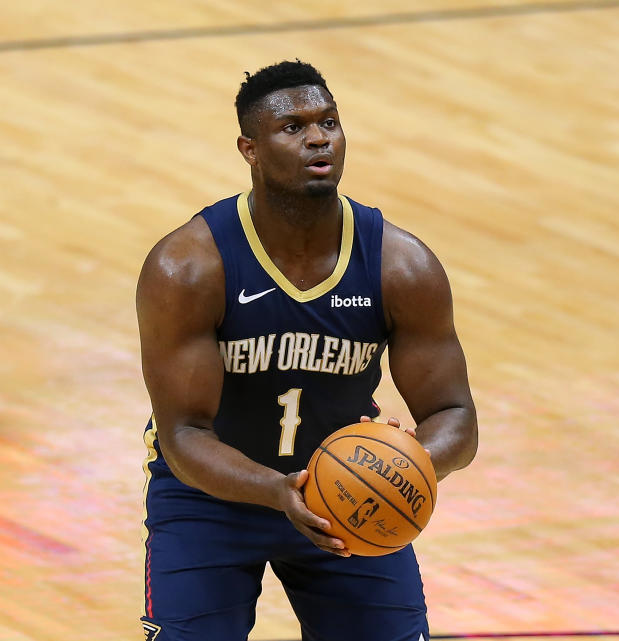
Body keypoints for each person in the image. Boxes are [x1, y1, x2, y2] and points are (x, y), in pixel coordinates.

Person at [136, 60, 478, 641]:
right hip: (210, 497)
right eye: (292, 127)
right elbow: (185, 435)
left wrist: (411, 460)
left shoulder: (401, 265)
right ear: (249, 147)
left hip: (350, 499)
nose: (319, 137)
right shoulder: (189, 267)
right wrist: (280, 491)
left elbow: (456, 417)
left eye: (330, 122)